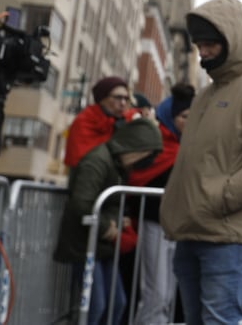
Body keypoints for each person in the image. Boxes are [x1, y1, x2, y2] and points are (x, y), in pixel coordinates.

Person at [160, 0, 242, 325]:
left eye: (209, 44)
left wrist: (221, 198)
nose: (202, 52)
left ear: (232, 41)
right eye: (199, 45)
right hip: (191, 230)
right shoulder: (206, 93)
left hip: (228, 236)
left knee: (219, 320)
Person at [54, 117, 163, 325]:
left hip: (101, 245)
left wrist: (118, 221)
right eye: (148, 154)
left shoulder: (117, 165)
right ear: (135, 147)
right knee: (95, 307)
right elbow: (82, 204)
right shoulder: (98, 162)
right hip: (85, 244)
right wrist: (110, 228)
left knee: (116, 303)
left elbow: (107, 204)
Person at [126, 83, 194, 325]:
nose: (190, 121)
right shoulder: (155, 143)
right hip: (154, 223)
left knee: (165, 295)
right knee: (156, 293)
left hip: (175, 228)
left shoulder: (186, 146)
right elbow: (136, 178)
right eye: (185, 116)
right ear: (170, 116)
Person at [64, 75, 139, 168]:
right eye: (118, 97)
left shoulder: (124, 122)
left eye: (126, 98)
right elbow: (84, 161)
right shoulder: (85, 121)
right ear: (103, 99)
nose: (123, 103)